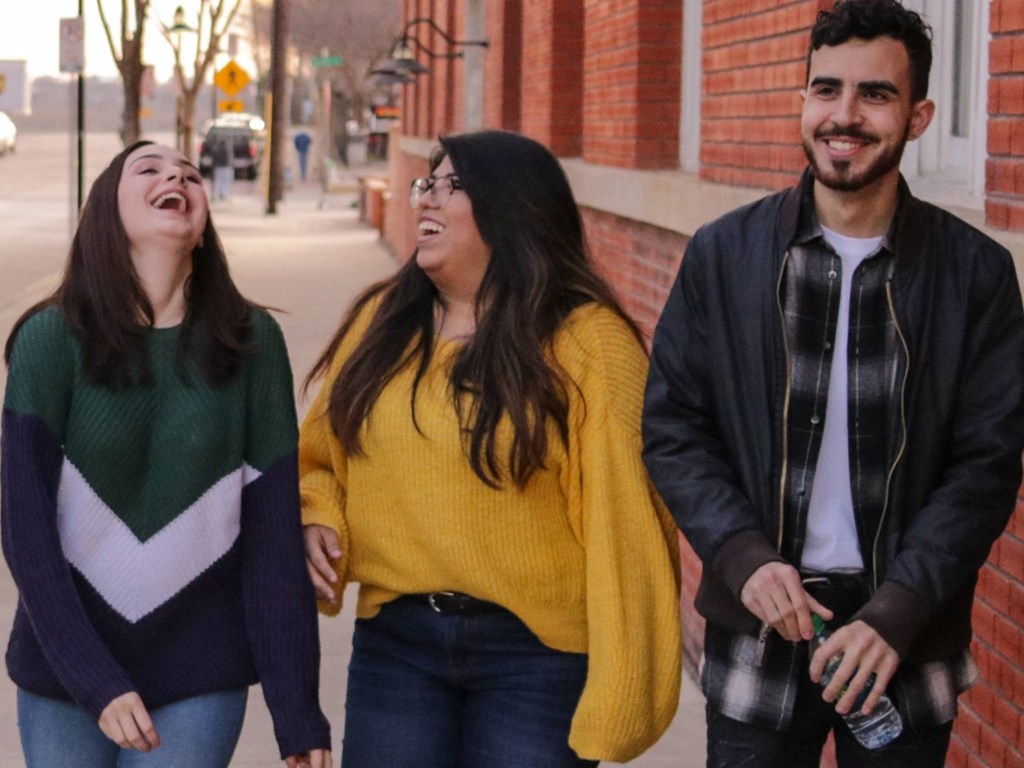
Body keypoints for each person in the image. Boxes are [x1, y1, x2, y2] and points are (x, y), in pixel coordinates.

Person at [641, 2, 1024, 767]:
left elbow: (986, 466)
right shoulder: (726, 256)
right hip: (763, 623)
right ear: (803, 101)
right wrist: (743, 557)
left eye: (874, 95)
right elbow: (674, 430)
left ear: (919, 116)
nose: (843, 116)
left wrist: (899, 610)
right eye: (826, 90)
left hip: (903, 635)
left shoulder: (976, 274)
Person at [300, 129, 682, 767]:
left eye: (453, 186)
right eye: (428, 182)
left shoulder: (587, 343)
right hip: (397, 647)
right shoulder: (382, 324)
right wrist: (318, 517)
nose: (427, 199)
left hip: (537, 658)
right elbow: (320, 458)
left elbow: (628, 523)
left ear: (514, 209)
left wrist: (623, 691)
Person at [1, 141, 331, 767]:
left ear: (203, 227)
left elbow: (271, 540)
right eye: (148, 169)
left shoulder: (252, 344)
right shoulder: (50, 339)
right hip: (65, 672)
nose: (176, 176)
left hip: (199, 670)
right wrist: (93, 678)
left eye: (189, 173)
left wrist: (297, 712)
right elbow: (26, 531)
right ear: (106, 211)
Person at [211, 135, 233, 201]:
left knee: (218, 180)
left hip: (218, 167)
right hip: (225, 167)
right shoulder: (227, 148)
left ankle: (219, 193)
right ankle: (224, 194)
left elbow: (213, 158)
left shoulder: (216, 148)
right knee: (225, 180)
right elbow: (229, 158)